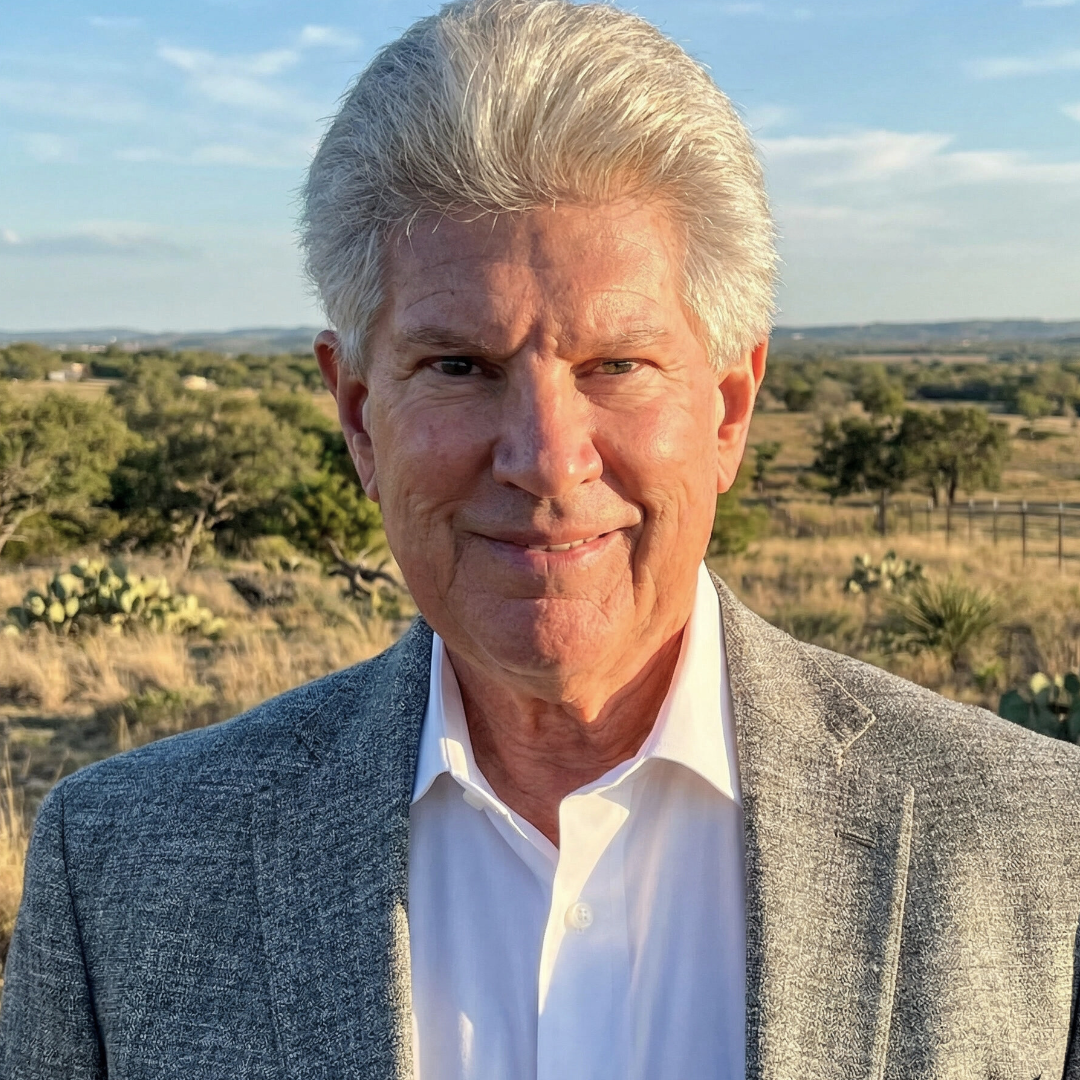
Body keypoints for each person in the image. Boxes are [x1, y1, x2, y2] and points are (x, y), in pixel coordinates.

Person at [3, 1, 1080, 1077]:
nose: (545, 455)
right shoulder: (124, 872)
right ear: (357, 417)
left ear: (729, 409)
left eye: (615, 364)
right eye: (460, 367)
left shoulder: (1040, 850)